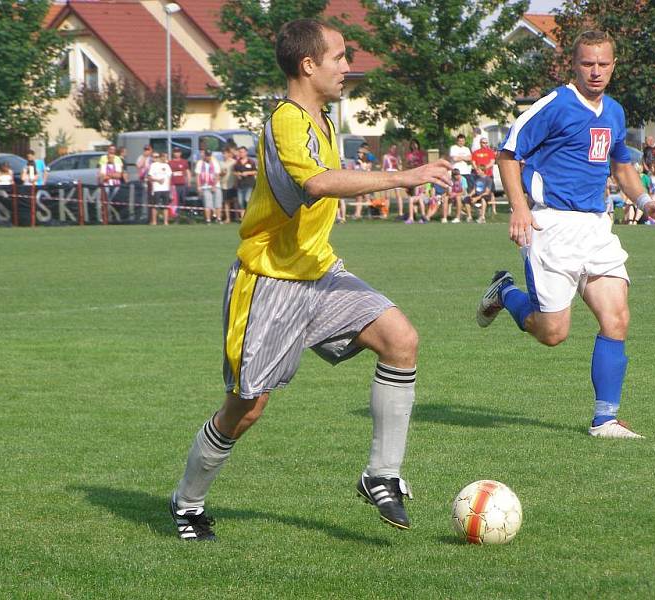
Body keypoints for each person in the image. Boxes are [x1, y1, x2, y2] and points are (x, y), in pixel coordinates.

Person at [169, 17, 451, 542]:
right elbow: (318, 183)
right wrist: (400, 176)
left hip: (319, 272)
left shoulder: (320, 120)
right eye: (340, 57)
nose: (349, 67)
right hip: (269, 283)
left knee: (401, 339)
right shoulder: (286, 121)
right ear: (308, 64)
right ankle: (187, 503)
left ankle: (381, 474)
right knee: (246, 408)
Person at [476, 30, 655, 440]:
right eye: (587, 63)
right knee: (552, 334)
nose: (595, 71)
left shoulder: (615, 112)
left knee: (617, 317)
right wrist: (519, 208)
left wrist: (645, 200)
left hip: (596, 226)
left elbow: (621, 166)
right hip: (551, 225)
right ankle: (505, 293)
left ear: (613, 65)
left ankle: (605, 419)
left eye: (603, 64)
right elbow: (508, 154)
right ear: (574, 65)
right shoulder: (554, 105)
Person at [471, 138, 498, 214]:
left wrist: (484, 168)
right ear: (480, 143)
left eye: (486, 143)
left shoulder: (490, 152)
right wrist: (477, 169)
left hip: (488, 175)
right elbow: (473, 162)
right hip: (478, 176)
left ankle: (494, 210)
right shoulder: (476, 152)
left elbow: (492, 162)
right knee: (478, 191)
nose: (485, 144)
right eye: (483, 142)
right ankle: (480, 210)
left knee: (491, 192)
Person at [195, 149, 221, 223]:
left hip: (215, 186)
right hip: (205, 186)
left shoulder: (215, 163)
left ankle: (218, 219)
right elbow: (198, 176)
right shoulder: (200, 163)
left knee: (218, 203)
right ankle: (208, 220)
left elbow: (217, 175)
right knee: (207, 204)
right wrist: (198, 187)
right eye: (207, 155)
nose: (208, 157)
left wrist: (214, 185)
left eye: (209, 155)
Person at [148, 151, 172, 225]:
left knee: (165, 206)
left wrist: (169, 188)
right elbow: (149, 177)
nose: (166, 158)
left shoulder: (167, 166)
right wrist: (158, 180)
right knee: (155, 206)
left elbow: (169, 177)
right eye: (165, 157)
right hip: (157, 189)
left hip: (165, 189)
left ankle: (165, 222)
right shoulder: (154, 165)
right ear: (161, 157)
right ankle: (154, 221)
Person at [233, 146, 256, 221]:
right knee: (240, 202)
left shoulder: (251, 162)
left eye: (242, 152)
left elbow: (255, 171)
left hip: (249, 184)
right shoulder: (237, 162)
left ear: (246, 153)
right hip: (240, 185)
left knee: (247, 199)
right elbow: (234, 172)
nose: (241, 153)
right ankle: (243, 218)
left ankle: (249, 216)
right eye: (240, 152)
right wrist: (238, 174)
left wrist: (247, 173)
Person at [382, 144, 405, 217]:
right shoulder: (385, 156)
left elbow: (400, 168)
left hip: (396, 174)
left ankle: (400, 213)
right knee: (387, 195)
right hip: (388, 174)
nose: (394, 150)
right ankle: (385, 213)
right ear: (390, 148)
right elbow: (383, 167)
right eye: (393, 148)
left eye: (395, 148)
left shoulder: (397, 157)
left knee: (398, 195)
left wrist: (399, 163)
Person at [168, 147, 191, 219]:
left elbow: (188, 172)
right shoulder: (170, 163)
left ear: (180, 153)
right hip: (174, 185)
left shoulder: (184, 162)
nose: (176, 153)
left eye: (178, 152)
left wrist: (189, 182)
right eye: (175, 152)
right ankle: (175, 215)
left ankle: (181, 214)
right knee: (175, 201)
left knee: (182, 200)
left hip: (182, 184)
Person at [219, 144, 238, 224]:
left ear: (229, 153)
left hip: (232, 184)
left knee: (235, 201)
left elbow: (236, 173)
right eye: (223, 153)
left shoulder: (234, 162)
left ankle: (237, 217)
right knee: (226, 202)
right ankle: (228, 218)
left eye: (225, 153)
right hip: (224, 185)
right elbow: (219, 174)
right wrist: (222, 173)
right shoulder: (220, 163)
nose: (224, 155)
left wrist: (235, 183)